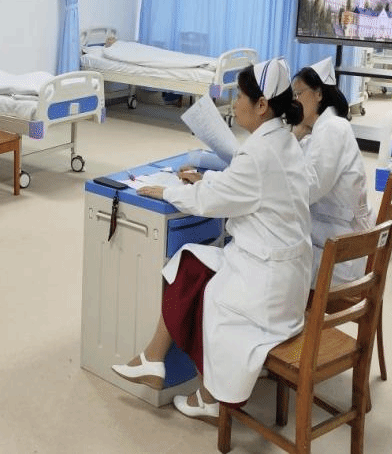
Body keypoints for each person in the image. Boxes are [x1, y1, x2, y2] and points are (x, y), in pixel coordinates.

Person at [110, 58, 312, 421]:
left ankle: (211, 395)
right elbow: (243, 186)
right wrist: (206, 180)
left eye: (240, 97)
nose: (235, 104)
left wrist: (167, 191)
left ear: (261, 105)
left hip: (266, 283)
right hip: (286, 274)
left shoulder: (258, 152)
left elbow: (211, 201)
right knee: (190, 263)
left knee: (200, 287)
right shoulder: (284, 141)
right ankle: (155, 361)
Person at [292, 57, 373, 286]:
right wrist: (297, 134)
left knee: (270, 260)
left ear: (318, 94)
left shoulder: (332, 130)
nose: (294, 101)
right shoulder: (322, 130)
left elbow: (308, 189)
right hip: (333, 237)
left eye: (298, 94)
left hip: (341, 256)